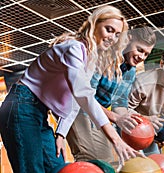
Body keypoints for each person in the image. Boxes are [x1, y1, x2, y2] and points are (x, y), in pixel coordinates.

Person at [0, 5, 140, 173]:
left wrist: (61, 133)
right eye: (109, 29)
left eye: (117, 34)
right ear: (94, 25)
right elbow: (83, 95)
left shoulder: (89, 59)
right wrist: (115, 139)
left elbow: (75, 100)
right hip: (21, 106)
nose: (112, 37)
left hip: (38, 113)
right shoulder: (74, 48)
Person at [66, 26, 156, 162]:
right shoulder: (104, 56)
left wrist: (133, 122)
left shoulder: (130, 71)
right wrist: (116, 118)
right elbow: (85, 97)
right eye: (140, 50)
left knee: (106, 161)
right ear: (129, 40)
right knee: (90, 158)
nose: (141, 57)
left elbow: (119, 103)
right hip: (76, 107)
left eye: (146, 54)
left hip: (97, 114)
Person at [126, 47, 164, 155]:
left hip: (151, 125)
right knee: (136, 161)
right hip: (128, 124)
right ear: (161, 63)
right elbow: (124, 110)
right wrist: (148, 120)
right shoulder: (142, 82)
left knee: (155, 159)